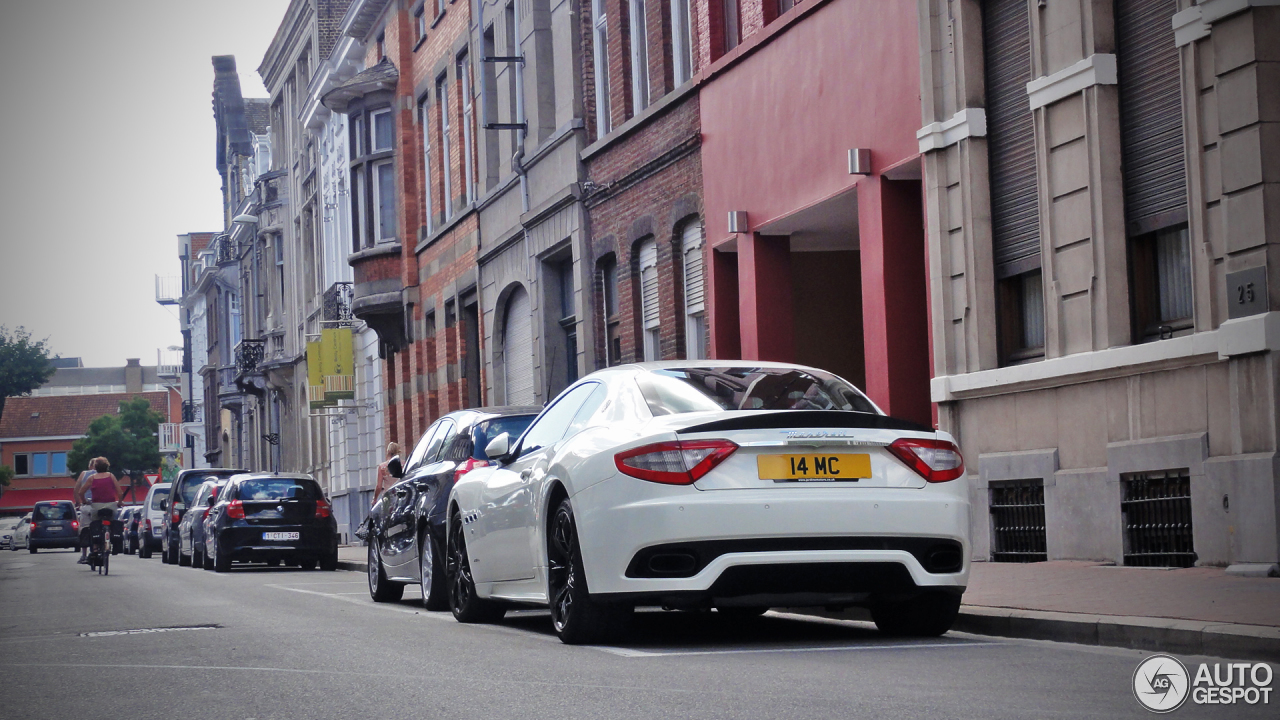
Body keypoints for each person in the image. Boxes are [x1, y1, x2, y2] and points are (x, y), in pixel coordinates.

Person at [78, 458, 126, 562]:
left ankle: (95, 548)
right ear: (107, 466)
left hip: (96, 506)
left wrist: (84, 501)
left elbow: (81, 492)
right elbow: (120, 492)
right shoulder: (111, 476)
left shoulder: (92, 478)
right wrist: (119, 502)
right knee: (112, 522)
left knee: (95, 524)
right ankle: (113, 541)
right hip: (111, 506)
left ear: (95, 467)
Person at [73, 459, 96, 564]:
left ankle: (84, 555)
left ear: (90, 466)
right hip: (99, 505)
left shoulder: (84, 474)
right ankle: (98, 549)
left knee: (84, 529)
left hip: (86, 505)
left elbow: (77, 489)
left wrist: (78, 502)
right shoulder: (105, 475)